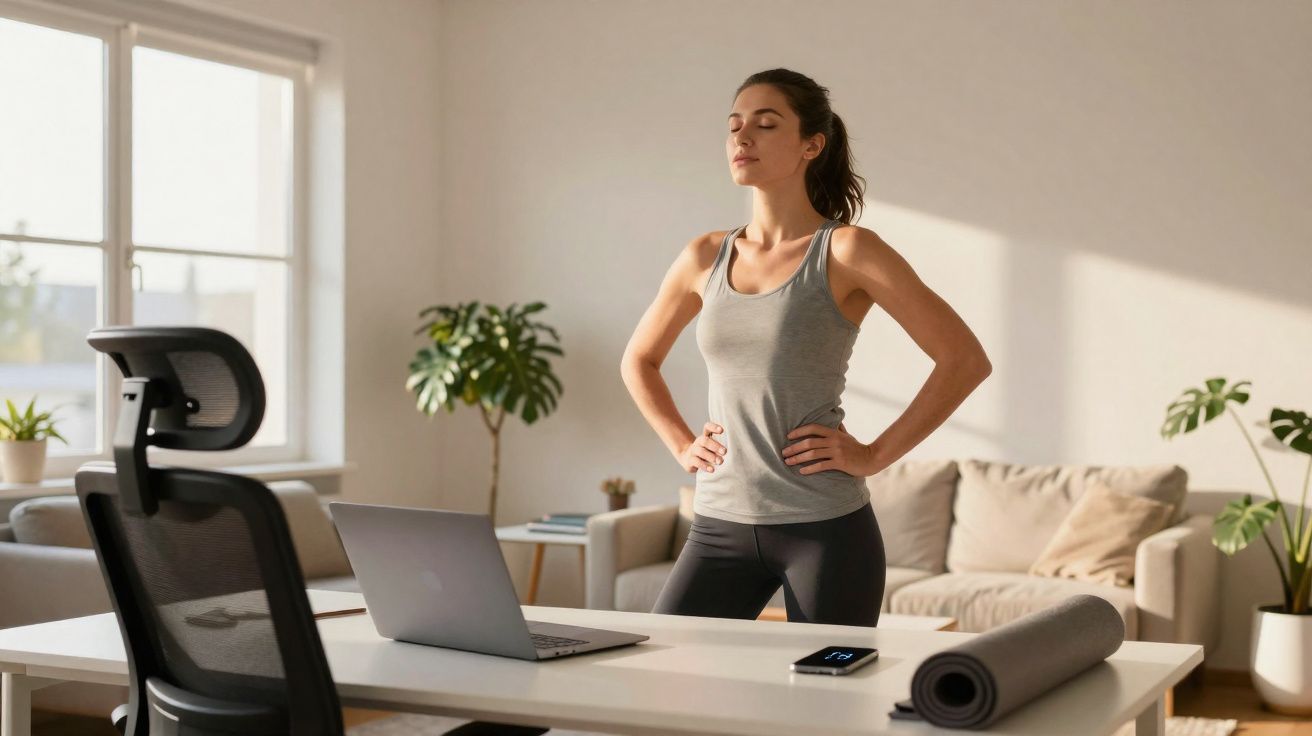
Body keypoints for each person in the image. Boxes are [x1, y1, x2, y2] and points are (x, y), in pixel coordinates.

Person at [619, 68, 992, 627]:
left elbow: (965, 360)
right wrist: (680, 444)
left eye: (766, 124)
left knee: (829, 700)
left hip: (824, 528)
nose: (743, 137)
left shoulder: (847, 251)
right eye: (735, 125)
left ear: (811, 145)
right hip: (718, 523)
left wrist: (874, 455)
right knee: (669, 677)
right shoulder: (705, 255)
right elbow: (639, 360)